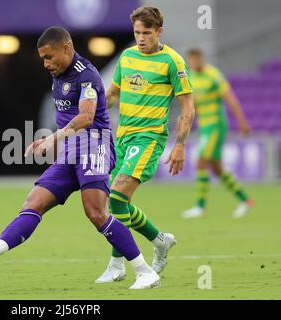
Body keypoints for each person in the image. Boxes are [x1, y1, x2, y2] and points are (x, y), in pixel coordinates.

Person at [0, 26, 161, 289]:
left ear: (66, 48)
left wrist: (53, 137)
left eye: (49, 57)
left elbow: (86, 117)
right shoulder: (58, 74)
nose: (45, 63)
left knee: (96, 212)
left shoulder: (85, 76)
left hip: (94, 144)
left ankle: (144, 271)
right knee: (34, 201)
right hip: (71, 149)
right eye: (42, 58)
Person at [95, 6, 196, 283]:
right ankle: (160, 240)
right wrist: (94, 113)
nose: (141, 38)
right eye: (137, 32)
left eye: (147, 33)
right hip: (123, 138)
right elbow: (114, 93)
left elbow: (188, 107)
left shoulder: (172, 62)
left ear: (159, 31)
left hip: (149, 138)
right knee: (116, 204)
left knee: (116, 197)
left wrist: (180, 145)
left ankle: (118, 265)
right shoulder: (127, 57)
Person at [182, 49, 254, 219]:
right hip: (204, 126)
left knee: (201, 162)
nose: (194, 62)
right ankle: (245, 200)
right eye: (191, 60)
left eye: (197, 59)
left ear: (202, 59)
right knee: (217, 168)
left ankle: (200, 206)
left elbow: (231, 100)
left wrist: (242, 122)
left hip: (215, 124)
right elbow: (194, 106)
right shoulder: (190, 77)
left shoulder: (213, 75)